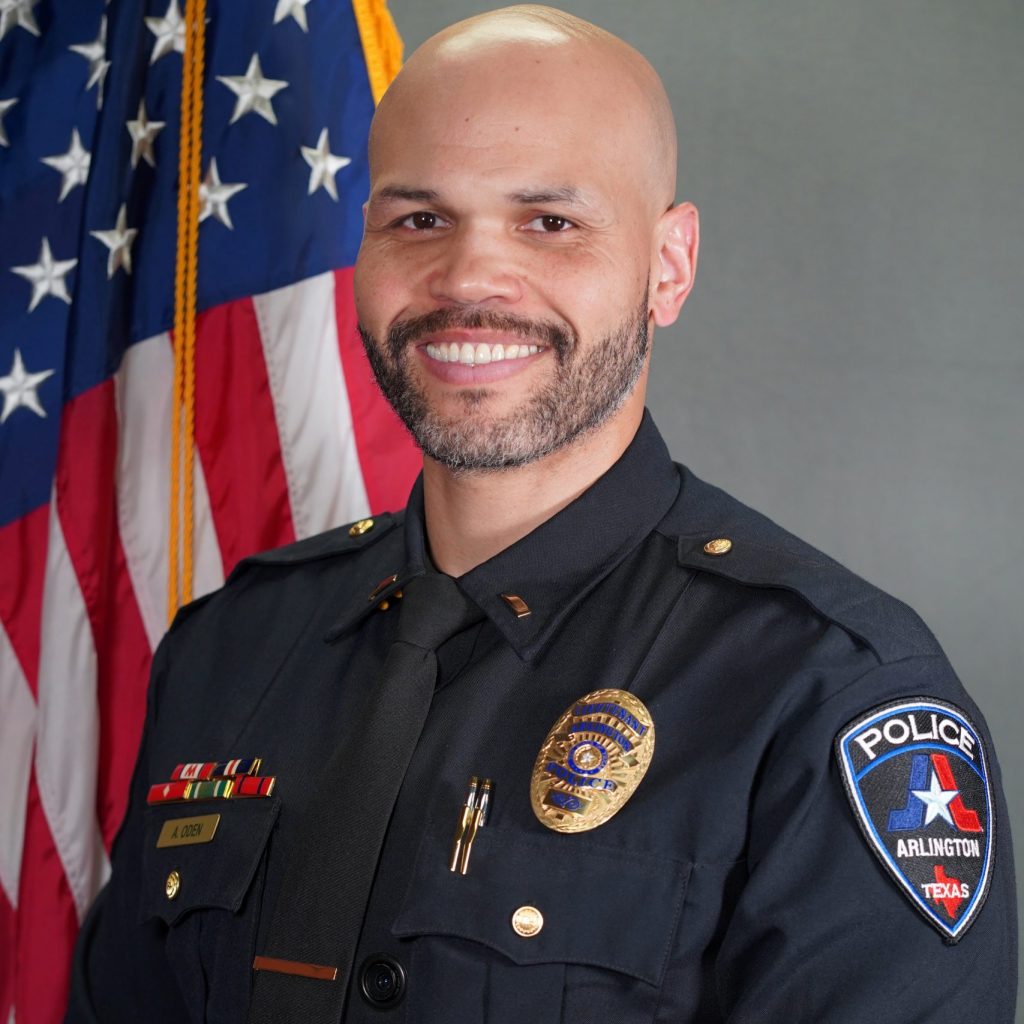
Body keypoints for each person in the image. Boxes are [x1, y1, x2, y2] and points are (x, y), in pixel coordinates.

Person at [67, 6, 1017, 1022]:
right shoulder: (234, 647)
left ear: (669, 265)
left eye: (549, 221)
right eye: (417, 219)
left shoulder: (825, 694)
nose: (469, 277)